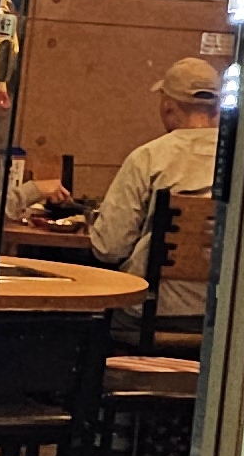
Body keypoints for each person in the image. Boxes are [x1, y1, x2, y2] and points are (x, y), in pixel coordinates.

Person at [64, 54, 223, 326]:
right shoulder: (242, 163)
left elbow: (109, 247)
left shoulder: (148, 158)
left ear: (168, 107)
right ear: (216, 108)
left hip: (151, 310)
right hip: (221, 316)